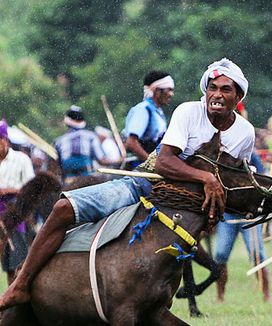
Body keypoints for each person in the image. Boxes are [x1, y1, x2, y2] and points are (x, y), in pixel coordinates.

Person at [0, 58, 254, 310]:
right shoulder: (187, 112)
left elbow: (234, 180)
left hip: (188, 210)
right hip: (144, 184)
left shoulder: (245, 134)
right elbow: (163, 162)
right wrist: (205, 178)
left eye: (225, 89)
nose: (217, 94)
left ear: (239, 95)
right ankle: (20, 286)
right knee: (63, 208)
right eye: (213, 88)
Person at [214, 153, 270, 303]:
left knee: (256, 253)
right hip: (228, 214)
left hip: (249, 214)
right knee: (220, 254)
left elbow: (262, 182)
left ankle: (266, 295)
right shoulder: (221, 157)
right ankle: (220, 295)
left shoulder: (253, 157)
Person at [0, 120, 35, 283]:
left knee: (15, 262)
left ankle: (13, 302)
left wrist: (10, 190)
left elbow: (32, 189)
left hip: (14, 213)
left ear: (5, 140)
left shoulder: (21, 159)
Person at [123, 71, 174, 168]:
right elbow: (131, 142)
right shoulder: (143, 109)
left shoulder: (158, 112)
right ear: (158, 91)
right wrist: (152, 164)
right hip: (138, 167)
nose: (172, 94)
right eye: (169, 90)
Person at [55, 105, 118, 184]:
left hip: (68, 182)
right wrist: (118, 160)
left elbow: (59, 167)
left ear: (67, 121)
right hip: (88, 180)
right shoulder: (91, 136)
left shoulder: (59, 141)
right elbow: (102, 160)